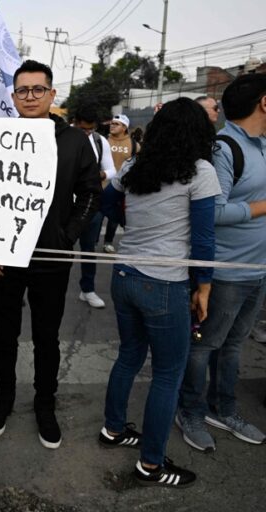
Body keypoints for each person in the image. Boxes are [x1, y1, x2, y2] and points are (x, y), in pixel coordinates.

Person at [99, 97, 220, 488]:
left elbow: (106, 201)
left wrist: (128, 222)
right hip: (165, 285)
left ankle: (113, 429)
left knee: (129, 356)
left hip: (124, 276)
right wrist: (203, 287)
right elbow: (203, 239)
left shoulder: (136, 166)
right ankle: (151, 464)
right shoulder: (200, 172)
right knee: (168, 374)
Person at [0, 60, 101, 449]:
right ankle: (3, 400)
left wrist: (67, 236)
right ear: (12, 96)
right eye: (22, 90)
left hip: (52, 257)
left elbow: (90, 192)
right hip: (3, 258)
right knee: (4, 334)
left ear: (52, 94)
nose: (29, 97)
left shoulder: (73, 141)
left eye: (38, 89)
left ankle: (44, 405)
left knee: (47, 337)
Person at [177, 73, 266, 452]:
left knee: (234, 346)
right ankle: (191, 412)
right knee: (205, 345)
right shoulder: (225, 149)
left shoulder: (262, 145)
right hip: (227, 270)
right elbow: (211, 211)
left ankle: (224, 408)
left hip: (258, 270)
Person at [73, 105, 117, 309]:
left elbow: (111, 171)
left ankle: (88, 289)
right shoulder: (62, 139)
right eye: (83, 129)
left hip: (91, 203)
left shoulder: (100, 142)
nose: (87, 133)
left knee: (89, 249)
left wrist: (96, 175)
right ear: (74, 122)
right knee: (57, 249)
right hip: (65, 204)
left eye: (91, 129)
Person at [104, 114, 140, 253]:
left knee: (114, 218)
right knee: (97, 217)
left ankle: (108, 242)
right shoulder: (103, 141)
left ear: (124, 127)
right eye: (112, 123)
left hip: (120, 188)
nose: (112, 125)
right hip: (101, 185)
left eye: (116, 123)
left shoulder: (133, 145)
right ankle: (92, 242)